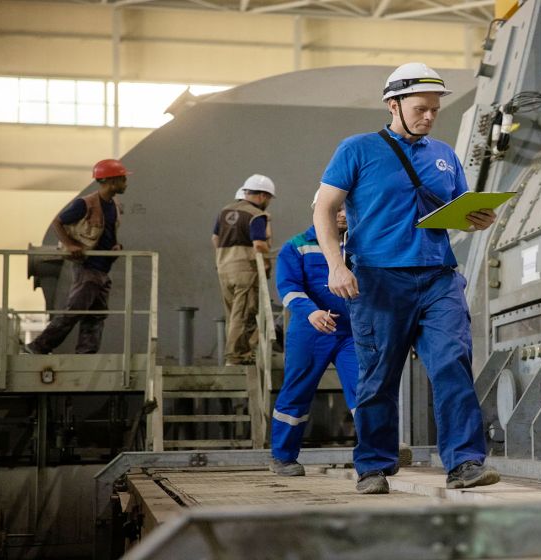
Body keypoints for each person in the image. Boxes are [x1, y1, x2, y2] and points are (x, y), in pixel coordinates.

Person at [313, 62, 500, 494]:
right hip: (378, 279)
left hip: (438, 277)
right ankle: (374, 467)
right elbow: (323, 208)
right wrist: (335, 265)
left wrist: (478, 219)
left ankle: (465, 463)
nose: (430, 116)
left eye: (435, 109)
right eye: (421, 108)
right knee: (378, 375)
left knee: (452, 364)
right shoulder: (357, 149)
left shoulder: (445, 155)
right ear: (392, 104)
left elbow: (458, 212)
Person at [269, 194, 357, 476]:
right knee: (297, 392)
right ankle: (283, 457)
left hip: (352, 332)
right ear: (320, 210)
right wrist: (310, 312)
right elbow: (288, 286)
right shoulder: (296, 246)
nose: (343, 213)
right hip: (310, 330)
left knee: (365, 392)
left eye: (347, 208)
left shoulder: (361, 246)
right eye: (337, 208)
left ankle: (374, 457)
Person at [24, 159, 129, 355]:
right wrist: (70, 244)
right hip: (88, 267)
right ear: (111, 181)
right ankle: (38, 346)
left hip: (103, 269)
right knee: (73, 311)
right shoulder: (85, 204)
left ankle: (86, 354)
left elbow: (107, 232)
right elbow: (58, 222)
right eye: (123, 179)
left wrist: (116, 246)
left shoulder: (113, 204)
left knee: (96, 316)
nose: (126, 183)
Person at [212, 174, 275, 366]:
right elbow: (259, 244)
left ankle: (237, 353)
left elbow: (215, 239)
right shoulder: (256, 215)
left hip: (224, 268)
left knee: (233, 313)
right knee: (245, 313)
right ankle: (236, 356)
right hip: (245, 269)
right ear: (263, 196)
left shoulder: (225, 211)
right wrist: (266, 263)